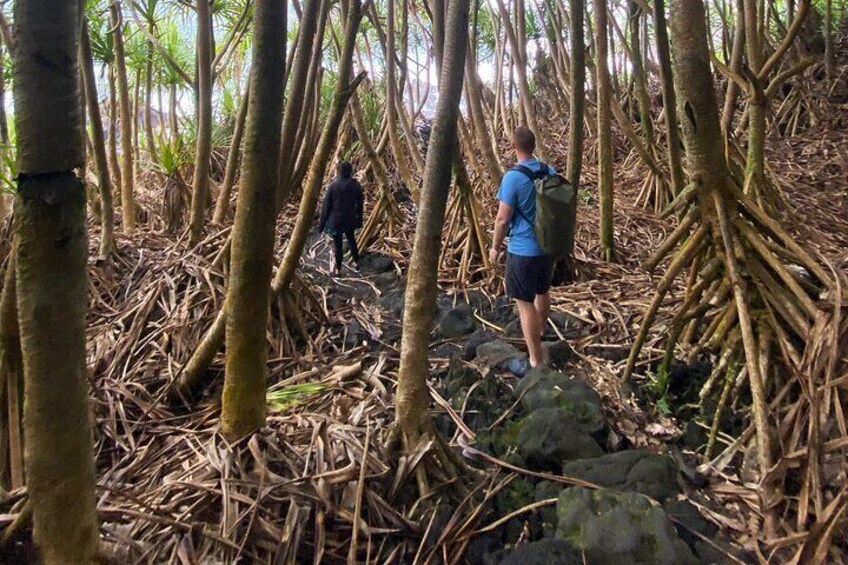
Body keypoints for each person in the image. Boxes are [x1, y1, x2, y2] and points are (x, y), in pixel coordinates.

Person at [489, 127, 555, 368]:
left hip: (523, 250)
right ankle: (542, 330)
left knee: (524, 303)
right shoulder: (549, 170)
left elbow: (503, 219)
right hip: (548, 246)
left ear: (513, 146)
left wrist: (495, 247)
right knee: (542, 291)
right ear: (533, 146)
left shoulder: (512, 178)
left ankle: (535, 359)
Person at [319, 161, 364, 274]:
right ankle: (357, 263)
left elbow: (326, 207)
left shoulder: (333, 186)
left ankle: (338, 270)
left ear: (339, 171)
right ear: (350, 171)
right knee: (351, 240)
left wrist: (321, 225)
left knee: (338, 245)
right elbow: (360, 205)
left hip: (336, 221)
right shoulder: (356, 185)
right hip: (350, 220)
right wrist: (359, 221)